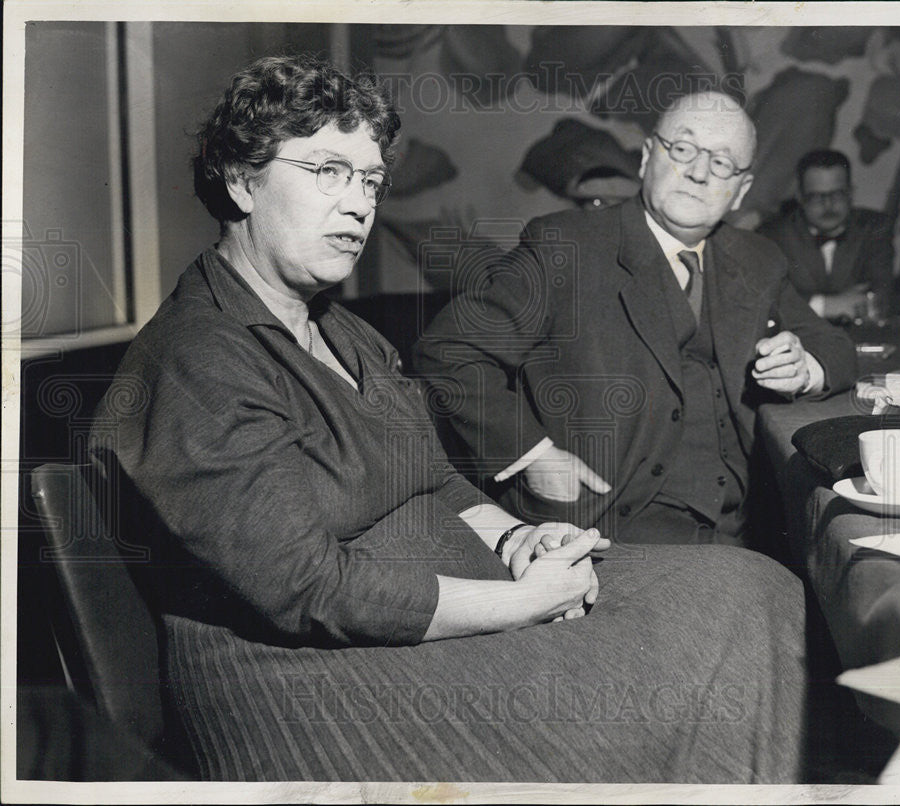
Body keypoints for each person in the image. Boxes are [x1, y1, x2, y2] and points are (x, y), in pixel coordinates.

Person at [90, 56, 807, 783]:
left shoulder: (342, 331)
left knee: (756, 587)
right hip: (312, 685)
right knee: (692, 667)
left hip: (442, 601)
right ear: (243, 181)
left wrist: (520, 534)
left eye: (370, 180)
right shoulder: (195, 359)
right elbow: (307, 586)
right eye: (327, 171)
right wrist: (520, 602)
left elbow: (437, 482)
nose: (359, 205)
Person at [415, 92, 857, 547]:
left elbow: (834, 347)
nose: (700, 173)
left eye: (723, 163)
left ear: (741, 190)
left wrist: (807, 369)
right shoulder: (564, 245)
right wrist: (533, 456)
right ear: (648, 157)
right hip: (607, 524)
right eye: (683, 149)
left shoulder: (757, 259)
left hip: (746, 525)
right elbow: (451, 351)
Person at [757, 149, 895, 321]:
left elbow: (880, 298)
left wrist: (807, 303)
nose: (828, 205)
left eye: (837, 194)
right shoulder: (772, 234)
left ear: (851, 193)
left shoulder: (875, 227)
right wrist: (827, 305)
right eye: (816, 197)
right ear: (800, 197)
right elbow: (765, 301)